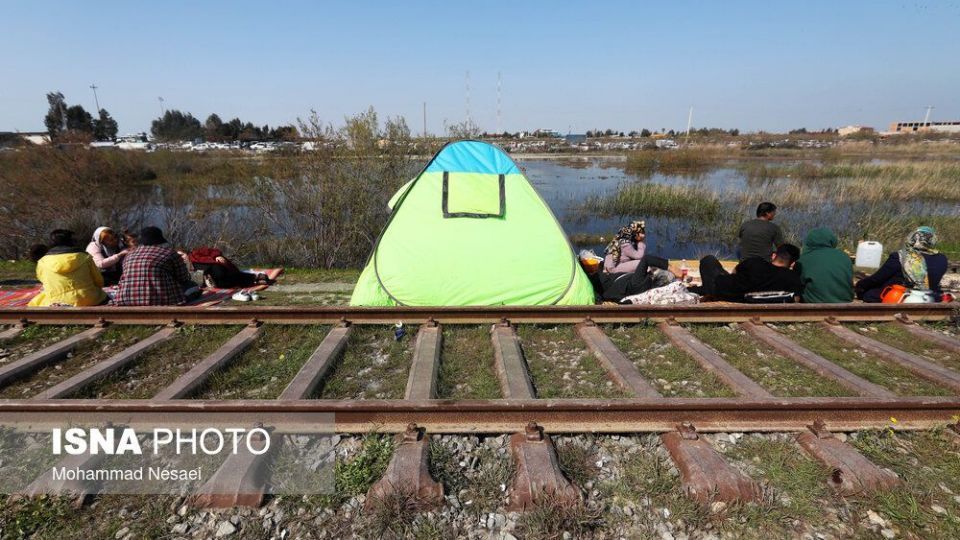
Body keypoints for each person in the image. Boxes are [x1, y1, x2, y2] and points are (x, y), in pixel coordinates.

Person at [855, 226, 948, 303]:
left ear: (912, 238)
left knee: (869, 293)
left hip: (901, 296)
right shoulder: (942, 258)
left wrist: (860, 285)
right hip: (929, 297)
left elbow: (877, 279)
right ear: (932, 240)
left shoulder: (900, 256)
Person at [111, 226, 196, 306]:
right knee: (193, 286)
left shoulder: (129, 255)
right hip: (162, 300)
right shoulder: (169, 253)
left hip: (126, 299)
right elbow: (183, 278)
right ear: (160, 241)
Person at [693, 244, 802, 302]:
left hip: (721, 290)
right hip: (747, 298)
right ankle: (701, 289)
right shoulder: (793, 278)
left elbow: (734, 272)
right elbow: (796, 299)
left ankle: (703, 290)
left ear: (774, 256)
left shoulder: (755, 262)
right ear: (792, 264)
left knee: (709, 260)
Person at [28, 229, 108, 307]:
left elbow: (44, 282)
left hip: (56, 301)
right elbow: (99, 281)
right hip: (90, 299)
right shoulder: (85, 257)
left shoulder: (42, 262)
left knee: (37, 301)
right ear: (71, 241)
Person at [795, 227, 854, 303]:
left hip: (814, 306)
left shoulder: (803, 259)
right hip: (844, 303)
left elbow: (797, 284)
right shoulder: (844, 257)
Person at [591, 254, 674, 302]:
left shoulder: (638, 283)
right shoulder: (639, 283)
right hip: (613, 287)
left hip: (611, 287)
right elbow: (646, 259)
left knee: (602, 264)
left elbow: (646, 259)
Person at [188, 246, 268, 288]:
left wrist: (217, 256)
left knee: (220, 273)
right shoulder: (185, 268)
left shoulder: (195, 253)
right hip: (213, 280)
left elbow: (212, 251)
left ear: (185, 252)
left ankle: (255, 278)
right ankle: (255, 278)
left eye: (181, 255)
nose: (181, 258)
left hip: (216, 265)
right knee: (223, 283)